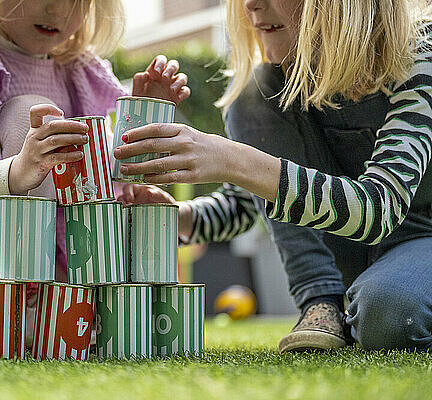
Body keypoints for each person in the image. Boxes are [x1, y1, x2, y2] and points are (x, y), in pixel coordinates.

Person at [114, 0, 432, 352]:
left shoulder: (421, 58)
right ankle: (320, 302)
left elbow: (379, 208)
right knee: (252, 92)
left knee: (389, 313)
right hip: (355, 264)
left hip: (421, 242)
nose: (251, 4)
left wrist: (233, 158)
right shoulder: (283, 82)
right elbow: (247, 204)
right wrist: (178, 217)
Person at [0, 0, 190, 346]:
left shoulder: (78, 68)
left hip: (62, 264)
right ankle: (15, 318)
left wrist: (142, 120)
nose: (56, 10)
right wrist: (16, 172)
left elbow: (95, 177)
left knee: (123, 204)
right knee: (28, 114)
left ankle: (6, 322)